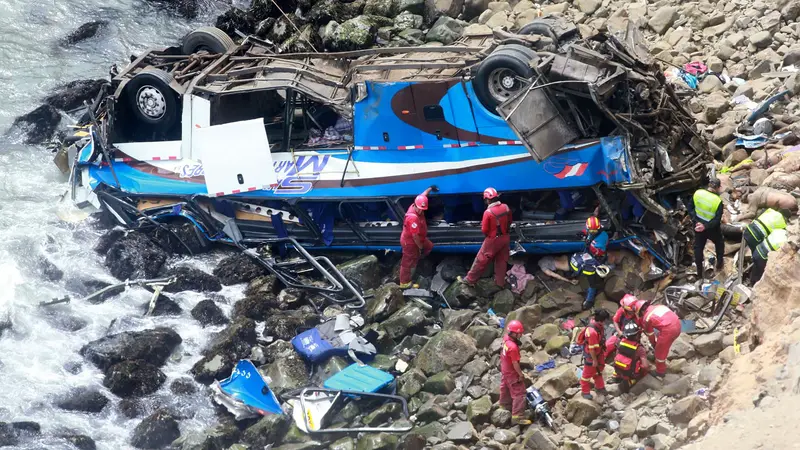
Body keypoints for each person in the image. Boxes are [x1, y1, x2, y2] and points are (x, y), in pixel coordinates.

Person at [464, 187, 512, 287]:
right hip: (506, 237)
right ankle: (500, 283)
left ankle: (470, 279)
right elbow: (510, 221)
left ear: (487, 199)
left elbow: (484, 229)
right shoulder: (506, 207)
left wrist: (489, 237)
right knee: (502, 260)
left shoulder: (488, 212)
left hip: (493, 239)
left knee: (481, 259)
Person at [399, 186, 438, 288]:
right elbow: (415, 236)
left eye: (423, 209)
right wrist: (420, 247)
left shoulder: (419, 201)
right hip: (410, 242)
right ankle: (404, 282)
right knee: (407, 261)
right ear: (415, 205)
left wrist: (430, 188)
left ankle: (418, 259)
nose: (421, 211)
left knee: (429, 246)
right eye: (419, 209)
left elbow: (423, 194)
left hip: (420, 238)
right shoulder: (413, 218)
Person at [687, 179, 725, 277]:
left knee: (698, 248)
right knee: (719, 243)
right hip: (711, 228)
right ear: (717, 188)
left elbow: (690, 208)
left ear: (709, 185)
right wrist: (706, 226)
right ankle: (719, 263)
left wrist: (696, 221)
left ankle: (699, 273)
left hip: (698, 227)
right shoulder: (718, 201)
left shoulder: (698, 193)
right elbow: (717, 220)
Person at [635, 301, 681, 379]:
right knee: (661, 338)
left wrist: (654, 345)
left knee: (660, 353)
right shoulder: (659, 306)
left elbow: (650, 335)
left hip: (669, 331)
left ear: (641, 311)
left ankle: (660, 372)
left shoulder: (647, 317)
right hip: (677, 324)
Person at [499, 320, 531, 425]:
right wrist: (520, 375)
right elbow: (515, 363)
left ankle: (504, 404)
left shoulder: (506, 339)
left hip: (505, 369)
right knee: (519, 393)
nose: (520, 335)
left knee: (505, 386)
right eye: (519, 333)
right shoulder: (513, 347)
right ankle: (517, 416)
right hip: (512, 372)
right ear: (514, 333)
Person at [577, 309, 610, 399]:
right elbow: (591, 349)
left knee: (599, 370)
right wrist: (594, 360)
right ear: (602, 320)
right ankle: (585, 391)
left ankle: (600, 387)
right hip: (592, 355)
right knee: (587, 374)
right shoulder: (592, 332)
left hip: (599, 352)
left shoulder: (597, 325)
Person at [610, 321, 650, 392]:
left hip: (618, 369)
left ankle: (617, 376)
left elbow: (617, 355)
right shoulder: (639, 348)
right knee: (645, 371)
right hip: (632, 373)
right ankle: (629, 382)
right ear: (637, 335)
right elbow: (645, 366)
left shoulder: (620, 342)